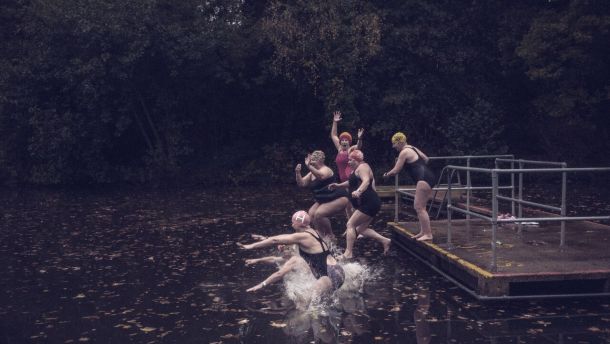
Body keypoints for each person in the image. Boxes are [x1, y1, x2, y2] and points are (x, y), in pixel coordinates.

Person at [237, 211, 345, 301]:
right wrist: (263, 240)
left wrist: (251, 246)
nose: (291, 224)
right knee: (324, 299)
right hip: (339, 272)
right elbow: (281, 240)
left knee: (308, 305)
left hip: (329, 276)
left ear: (298, 224)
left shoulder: (297, 250)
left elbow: (275, 240)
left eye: (293, 222)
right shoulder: (313, 232)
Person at [329, 149, 391, 259]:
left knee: (350, 224)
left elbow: (366, 181)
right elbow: (350, 182)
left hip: (369, 203)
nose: (348, 162)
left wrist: (359, 191)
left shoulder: (363, 167)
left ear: (357, 160)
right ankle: (385, 240)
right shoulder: (355, 169)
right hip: (368, 203)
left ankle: (348, 253)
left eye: (350, 160)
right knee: (361, 229)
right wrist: (338, 185)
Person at [383, 132, 436, 241]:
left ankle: (428, 234)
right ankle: (423, 232)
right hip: (428, 176)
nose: (394, 147)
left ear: (400, 142)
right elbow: (426, 159)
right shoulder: (412, 148)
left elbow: (396, 170)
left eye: (394, 144)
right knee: (421, 207)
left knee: (419, 207)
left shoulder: (404, 152)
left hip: (423, 179)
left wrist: (387, 174)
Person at [295, 151, 349, 239]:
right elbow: (302, 183)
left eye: (313, 160)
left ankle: (330, 236)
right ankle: (321, 236)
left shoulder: (326, 169)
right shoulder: (312, 173)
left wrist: (309, 166)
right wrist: (297, 173)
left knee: (319, 214)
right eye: (311, 160)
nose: (311, 161)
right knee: (311, 214)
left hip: (338, 197)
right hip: (324, 199)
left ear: (320, 161)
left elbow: (321, 176)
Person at [330, 110, 363, 183]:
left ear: (349, 142)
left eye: (346, 140)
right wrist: (335, 122)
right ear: (340, 142)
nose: (344, 141)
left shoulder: (351, 150)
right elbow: (334, 135)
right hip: (341, 179)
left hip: (351, 180)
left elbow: (358, 146)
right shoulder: (339, 149)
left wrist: (359, 138)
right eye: (342, 140)